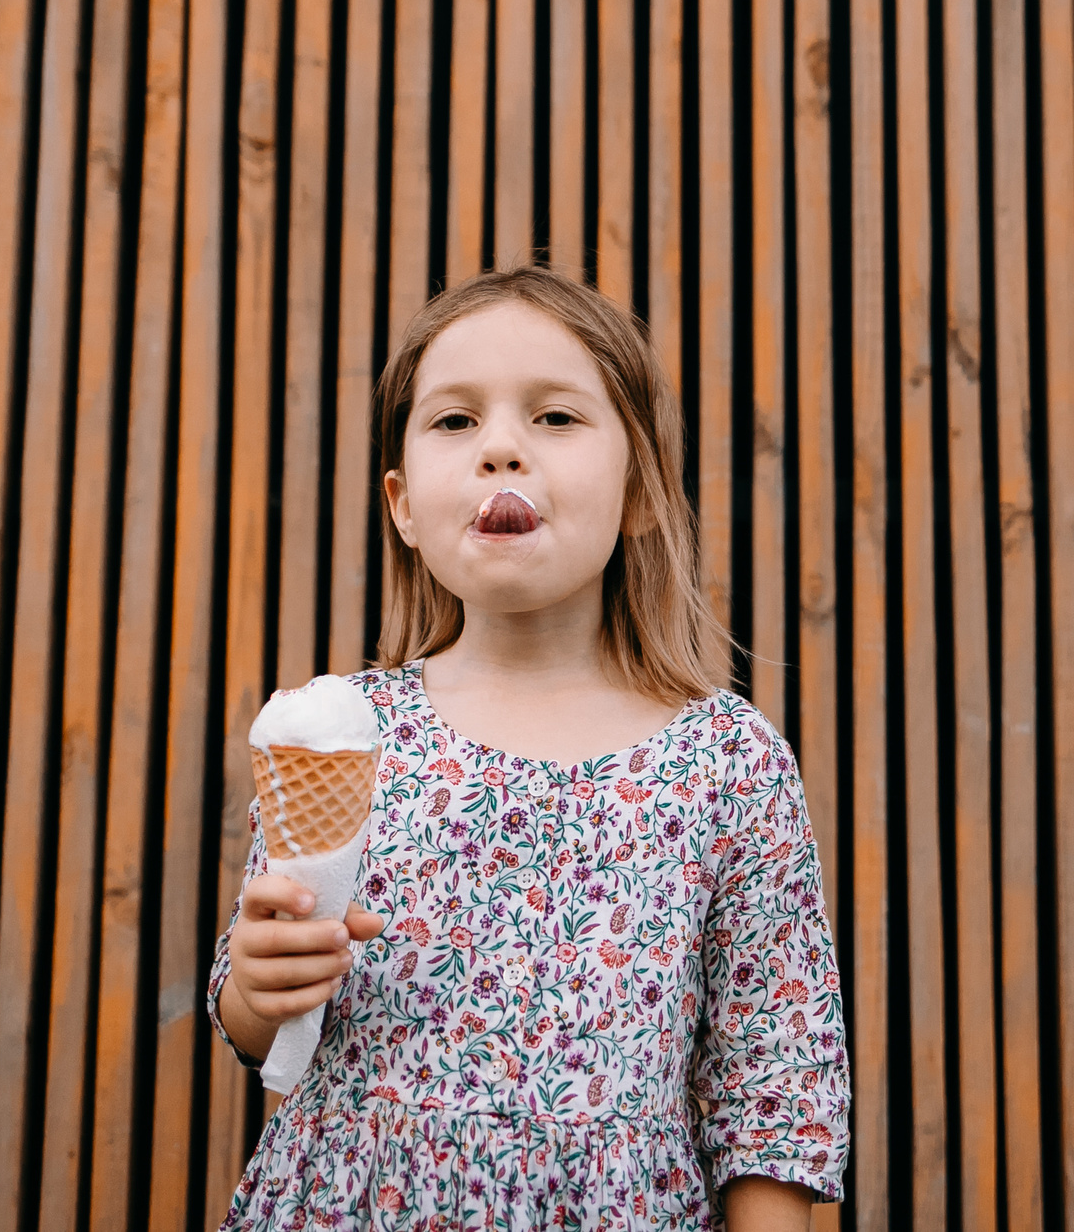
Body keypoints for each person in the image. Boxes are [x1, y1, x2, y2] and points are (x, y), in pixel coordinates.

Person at [208, 266, 849, 1229]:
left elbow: (776, 1094)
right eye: (455, 420)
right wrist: (257, 988)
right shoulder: (340, 731)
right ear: (403, 505)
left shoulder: (730, 761)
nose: (501, 446)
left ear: (639, 489)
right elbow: (263, 1022)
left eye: (554, 416)